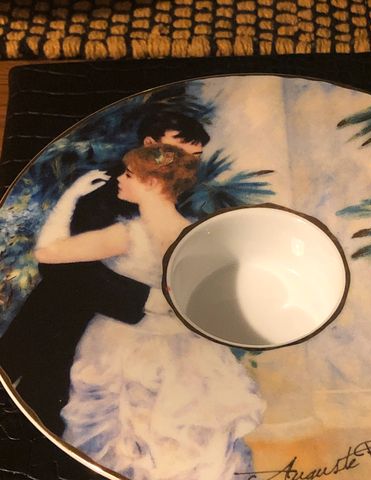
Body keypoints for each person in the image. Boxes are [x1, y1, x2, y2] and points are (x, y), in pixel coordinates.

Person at [35, 144, 265, 480]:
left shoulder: (128, 234)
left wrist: (70, 197)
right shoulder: (195, 234)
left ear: (153, 183)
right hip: (188, 353)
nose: (121, 180)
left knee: (124, 442)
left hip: (122, 350)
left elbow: (46, 252)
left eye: (129, 175)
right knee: (186, 442)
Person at [0, 112, 211, 436]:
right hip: (70, 312)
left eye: (195, 156)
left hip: (133, 331)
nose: (188, 164)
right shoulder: (106, 190)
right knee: (44, 400)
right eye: (177, 152)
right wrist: (147, 299)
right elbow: (63, 267)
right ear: (149, 144)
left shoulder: (176, 200)